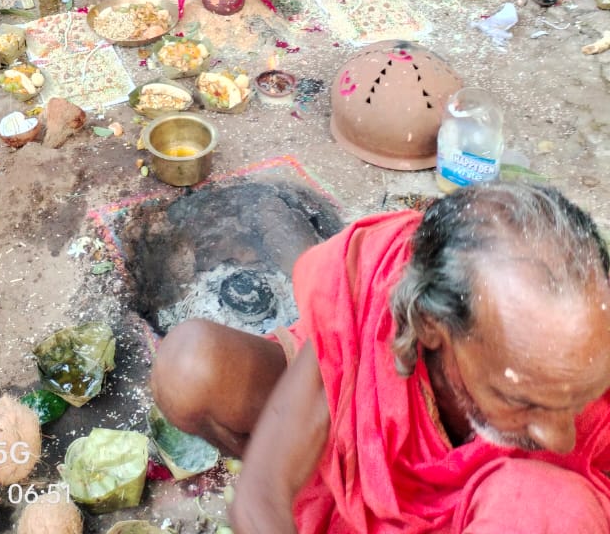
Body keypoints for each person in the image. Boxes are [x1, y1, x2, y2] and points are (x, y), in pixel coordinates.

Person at [152, 183, 610, 534]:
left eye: (576, 401)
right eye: (523, 400)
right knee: (190, 367)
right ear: (431, 327)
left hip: (503, 510)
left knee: (545, 511)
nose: (562, 437)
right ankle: (343, 501)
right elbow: (260, 495)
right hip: (354, 466)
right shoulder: (381, 283)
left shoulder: (583, 340)